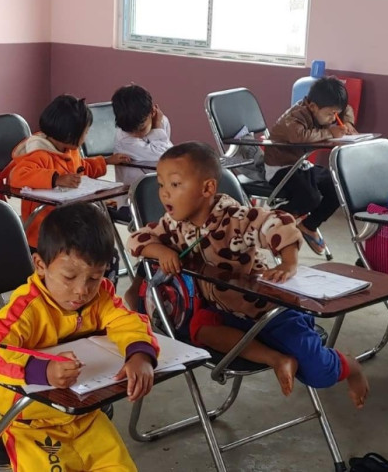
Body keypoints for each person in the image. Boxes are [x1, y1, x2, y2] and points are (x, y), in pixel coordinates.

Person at [128, 142, 369, 407]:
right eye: (161, 185)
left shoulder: (235, 217)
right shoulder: (172, 224)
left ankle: (351, 366)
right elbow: (138, 239)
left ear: (207, 189)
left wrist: (288, 263)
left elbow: (278, 222)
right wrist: (161, 250)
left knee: (317, 372)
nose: (164, 193)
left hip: (269, 311)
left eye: (175, 185)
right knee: (201, 330)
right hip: (224, 311)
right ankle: (276, 359)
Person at [0, 203, 157, 471]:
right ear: (40, 265)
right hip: (31, 423)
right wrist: (42, 370)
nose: (82, 290)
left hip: (86, 416)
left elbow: (127, 321)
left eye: (94, 277)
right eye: (69, 277)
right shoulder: (27, 308)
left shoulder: (101, 296)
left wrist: (140, 353)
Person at [5, 94, 131, 248]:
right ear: (70, 135)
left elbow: (81, 169)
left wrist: (106, 161)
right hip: (45, 229)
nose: (86, 137)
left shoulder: (70, 150)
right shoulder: (38, 153)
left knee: (98, 236)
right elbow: (18, 176)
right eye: (86, 132)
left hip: (72, 220)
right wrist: (56, 179)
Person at [264, 76, 356, 254]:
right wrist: (330, 132)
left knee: (338, 187)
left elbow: (347, 109)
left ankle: (309, 225)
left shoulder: (323, 108)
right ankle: (271, 219)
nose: (333, 118)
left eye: (336, 114)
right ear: (313, 107)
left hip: (301, 165)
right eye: (330, 114)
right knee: (310, 197)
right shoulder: (294, 116)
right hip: (281, 168)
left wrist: (347, 122)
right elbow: (298, 136)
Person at [111, 83, 173, 214]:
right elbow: (165, 156)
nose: (135, 135)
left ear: (153, 112)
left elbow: (168, 156)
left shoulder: (162, 121)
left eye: (141, 129)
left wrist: (158, 127)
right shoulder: (123, 138)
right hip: (135, 200)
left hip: (162, 192)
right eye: (130, 131)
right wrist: (156, 128)